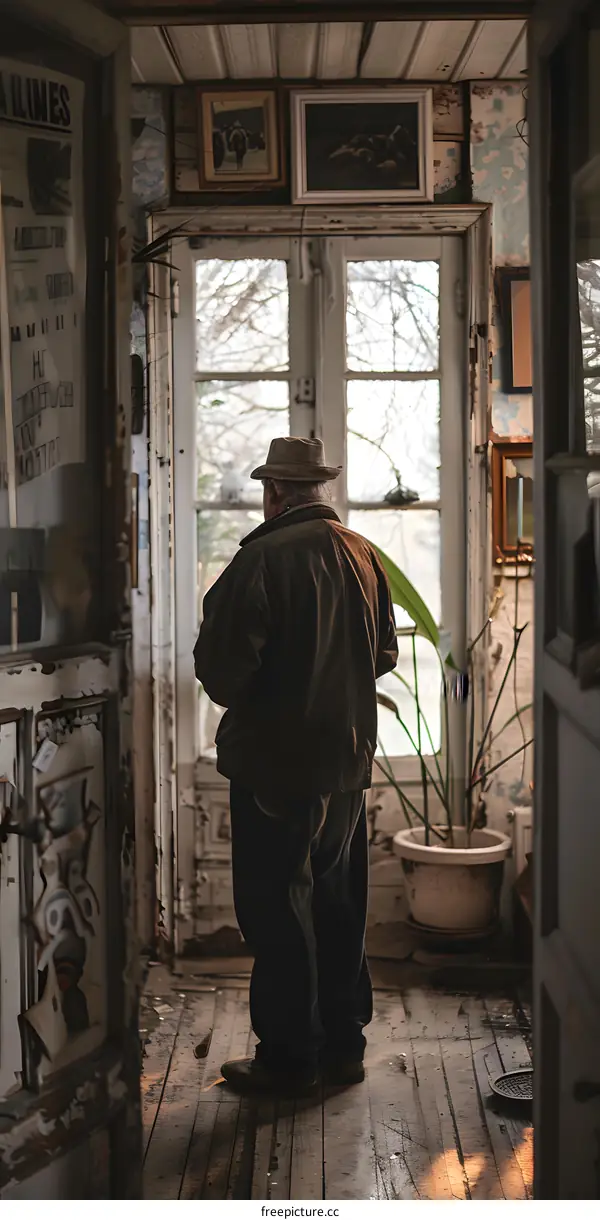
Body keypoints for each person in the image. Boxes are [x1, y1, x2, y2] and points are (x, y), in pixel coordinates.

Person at [194, 437, 398, 1096]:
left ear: (274, 493)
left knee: (279, 912)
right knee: (338, 904)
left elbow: (224, 676)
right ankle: (344, 1045)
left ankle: (288, 1057)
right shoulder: (363, 555)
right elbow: (386, 655)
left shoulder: (260, 560)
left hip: (278, 771)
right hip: (345, 764)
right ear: (319, 491)